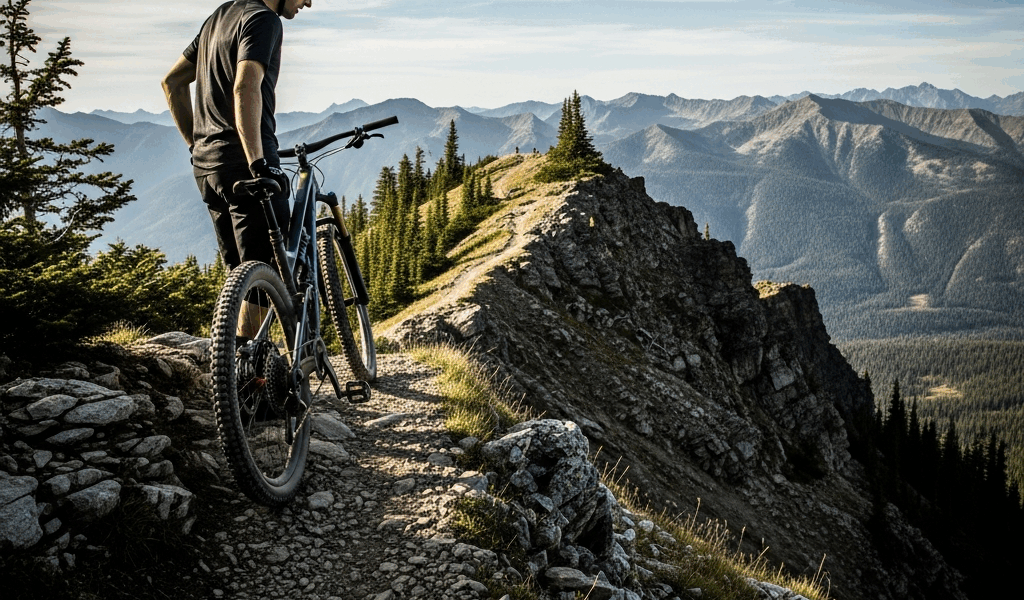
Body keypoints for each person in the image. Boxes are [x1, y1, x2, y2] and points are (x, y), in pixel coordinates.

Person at [162, 0, 312, 336]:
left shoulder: (218, 18)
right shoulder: (264, 19)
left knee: (239, 275)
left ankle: (231, 368)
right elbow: (245, 86)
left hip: (207, 169)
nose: (308, 2)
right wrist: (259, 164)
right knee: (263, 274)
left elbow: (171, 83)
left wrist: (195, 145)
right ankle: (250, 373)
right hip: (245, 164)